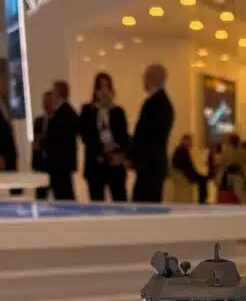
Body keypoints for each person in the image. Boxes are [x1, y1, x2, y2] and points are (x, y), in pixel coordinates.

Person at [79, 72, 129, 202]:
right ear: (96, 91)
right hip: (95, 165)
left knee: (120, 202)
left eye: (107, 87)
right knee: (97, 203)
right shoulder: (87, 110)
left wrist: (116, 145)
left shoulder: (118, 111)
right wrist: (101, 149)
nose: (104, 91)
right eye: (101, 88)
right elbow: (85, 135)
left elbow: (124, 137)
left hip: (115, 163)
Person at [128, 64, 175, 203]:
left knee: (143, 204)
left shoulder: (155, 103)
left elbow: (146, 138)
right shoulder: (163, 103)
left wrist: (132, 157)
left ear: (151, 78)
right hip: (154, 166)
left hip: (149, 167)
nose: (143, 81)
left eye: (145, 77)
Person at [44, 81, 79, 201]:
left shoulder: (65, 112)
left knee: (64, 196)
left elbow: (57, 139)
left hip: (61, 164)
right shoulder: (63, 112)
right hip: (60, 164)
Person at [170, 134, 210, 204]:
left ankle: (203, 199)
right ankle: (202, 200)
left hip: (186, 172)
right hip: (185, 173)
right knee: (202, 179)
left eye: (190, 141)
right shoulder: (181, 150)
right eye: (188, 141)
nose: (190, 143)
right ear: (184, 141)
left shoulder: (182, 149)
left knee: (203, 178)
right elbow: (185, 164)